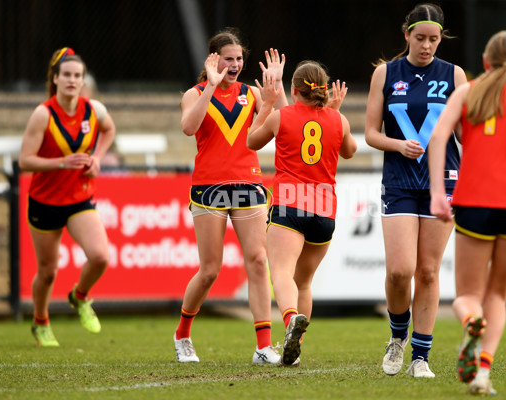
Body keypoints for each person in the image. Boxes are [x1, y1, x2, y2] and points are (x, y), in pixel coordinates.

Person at [428, 30, 506, 395]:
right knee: (497, 296)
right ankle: (482, 371)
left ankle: (471, 322)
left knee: (468, 297)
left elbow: (438, 137)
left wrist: (438, 194)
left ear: (485, 61)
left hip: (474, 202)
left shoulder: (468, 91)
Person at [174, 28, 289, 365]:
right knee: (210, 269)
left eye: (239, 59)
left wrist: (275, 90)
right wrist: (211, 85)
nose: (235, 64)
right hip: (208, 188)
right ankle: (182, 334)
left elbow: (284, 122)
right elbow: (189, 128)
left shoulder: (251, 93)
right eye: (229, 59)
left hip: (248, 184)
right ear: (214, 60)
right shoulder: (195, 93)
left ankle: (263, 347)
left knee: (257, 261)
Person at [364, 3, 467, 378]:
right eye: (420, 38)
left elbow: (464, 135)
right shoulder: (385, 73)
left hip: (444, 182)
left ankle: (420, 357)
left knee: (427, 271)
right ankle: (397, 338)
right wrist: (398, 145)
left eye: (434, 40)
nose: (427, 46)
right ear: (406, 34)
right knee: (399, 271)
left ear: (441, 39)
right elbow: (371, 133)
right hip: (399, 181)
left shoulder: (454, 75)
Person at [247, 61, 357, 365]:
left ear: (293, 90)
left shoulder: (281, 116)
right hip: (324, 208)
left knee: (281, 273)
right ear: (325, 89)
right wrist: (335, 112)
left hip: (289, 203)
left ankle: (291, 320)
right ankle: (294, 351)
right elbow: (349, 151)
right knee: (304, 282)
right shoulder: (339, 120)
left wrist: (267, 103)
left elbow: (250, 140)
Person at [18, 47, 116, 346]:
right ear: (56, 79)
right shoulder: (42, 114)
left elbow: (109, 130)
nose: (73, 81)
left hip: (79, 198)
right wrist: (62, 162)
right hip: (45, 202)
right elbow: (24, 161)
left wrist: (97, 158)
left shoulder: (94, 109)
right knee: (47, 272)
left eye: (78, 76)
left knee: (100, 256)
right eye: (67, 75)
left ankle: (80, 296)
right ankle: (40, 320)